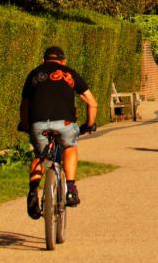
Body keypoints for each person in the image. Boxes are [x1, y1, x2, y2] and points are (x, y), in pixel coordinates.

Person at [18, 46, 98, 217]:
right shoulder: (70, 73)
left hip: (38, 124)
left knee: (40, 156)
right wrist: (89, 124)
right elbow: (92, 103)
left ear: (43, 60)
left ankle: (32, 192)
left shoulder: (34, 74)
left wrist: (25, 124)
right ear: (64, 61)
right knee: (69, 146)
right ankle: (70, 189)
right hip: (65, 123)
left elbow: (24, 105)